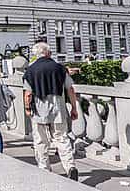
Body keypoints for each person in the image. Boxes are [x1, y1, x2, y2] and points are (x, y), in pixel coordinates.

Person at [23, 42, 79, 181]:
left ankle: (44, 169)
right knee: (62, 138)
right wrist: (73, 107)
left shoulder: (30, 70)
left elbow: (28, 94)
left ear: (36, 54)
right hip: (58, 108)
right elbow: (70, 89)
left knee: (41, 141)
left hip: (39, 110)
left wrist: (27, 108)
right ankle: (70, 167)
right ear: (48, 53)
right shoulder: (60, 68)